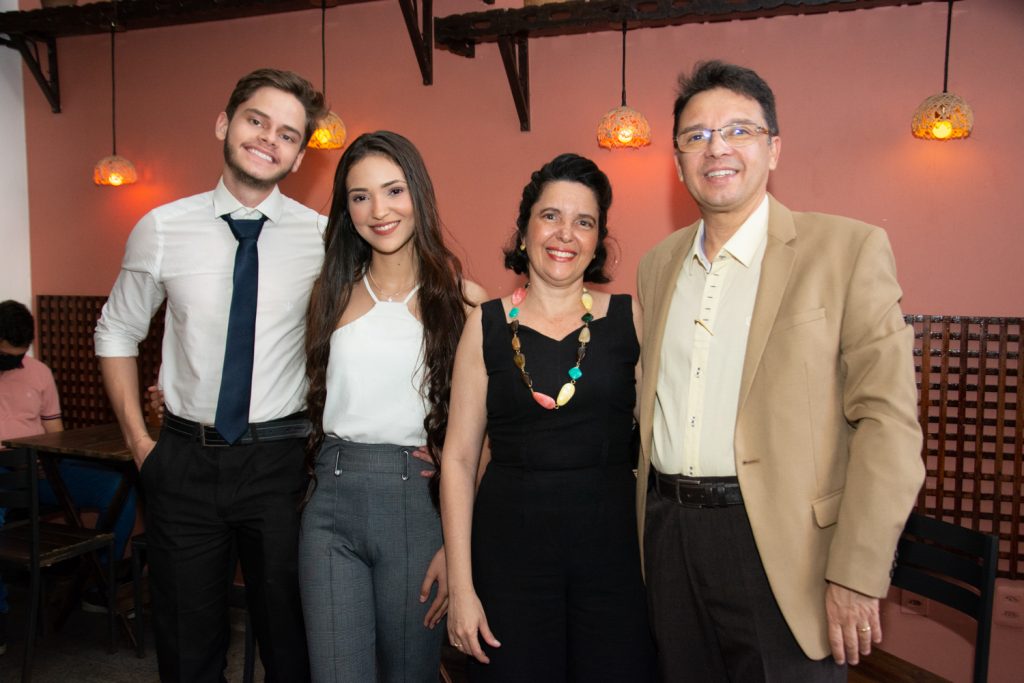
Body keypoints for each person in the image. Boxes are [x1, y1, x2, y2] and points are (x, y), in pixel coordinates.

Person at [636, 60, 925, 681]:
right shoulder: (658, 265)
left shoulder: (846, 251)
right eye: (697, 135)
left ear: (774, 149)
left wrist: (856, 570)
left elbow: (888, 424)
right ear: (679, 157)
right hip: (669, 537)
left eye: (739, 130)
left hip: (784, 549)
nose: (717, 148)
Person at [95, 68, 328, 682]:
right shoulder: (162, 228)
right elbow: (116, 331)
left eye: (287, 134)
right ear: (225, 124)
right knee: (186, 644)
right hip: (182, 462)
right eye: (257, 121)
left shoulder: (323, 238)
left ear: (300, 154)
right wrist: (141, 447)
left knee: (290, 640)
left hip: (280, 463)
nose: (268, 140)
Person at [442, 153, 655, 682]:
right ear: (524, 229)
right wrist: (463, 588)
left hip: (613, 558)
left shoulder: (632, 319)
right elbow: (460, 459)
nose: (566, 234)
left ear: (599, 239)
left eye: (584, 221)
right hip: (508, 559)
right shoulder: (485, 326)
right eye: (550, 216)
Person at [299, 130, 486, 682]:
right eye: (359, 196)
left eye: (393, 190)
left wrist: (458, 549)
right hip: (329, 499)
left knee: (410, 674)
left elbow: (485, 436)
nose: (378, 210)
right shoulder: (329, 293)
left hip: (417, 506)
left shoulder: (465, 301)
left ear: (419, 196)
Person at [0, 300, 138, 655]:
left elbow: (55, 431)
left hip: (40, 470)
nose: (14, 364)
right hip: (2, 476)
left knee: (117, 489)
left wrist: (52, 457)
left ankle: (97, 583)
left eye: (20, 356)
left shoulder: (39, 372)